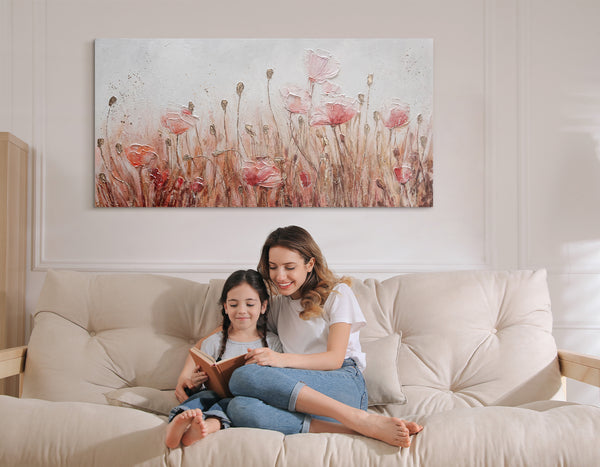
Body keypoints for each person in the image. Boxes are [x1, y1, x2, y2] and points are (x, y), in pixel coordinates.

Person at [225, 225, 422, 447]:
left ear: (309, 264)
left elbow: (334, 358)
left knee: (244, 377)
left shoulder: (337, 294)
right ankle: (356, 428)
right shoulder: (279, 305)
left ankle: (360, 417)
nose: (280, 276)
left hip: (343, 382)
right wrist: (193, 362)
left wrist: (280, 360)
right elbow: (234, 323)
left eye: (289, 267)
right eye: (273, 267)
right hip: (299, 391)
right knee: (238, 407)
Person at [165, 269, 282, 449]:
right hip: (213, 396)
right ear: (226, 307)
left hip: (246, 401)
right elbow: (201, 380)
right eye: (234, 305)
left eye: (250, 304)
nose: (241, 310)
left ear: (263, 306)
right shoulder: (213, 342)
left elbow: (278, 381)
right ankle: (180, 420)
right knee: (206, 396)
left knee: (236, 404)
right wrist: (195, 382)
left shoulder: (272, 343)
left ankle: (207, 426)